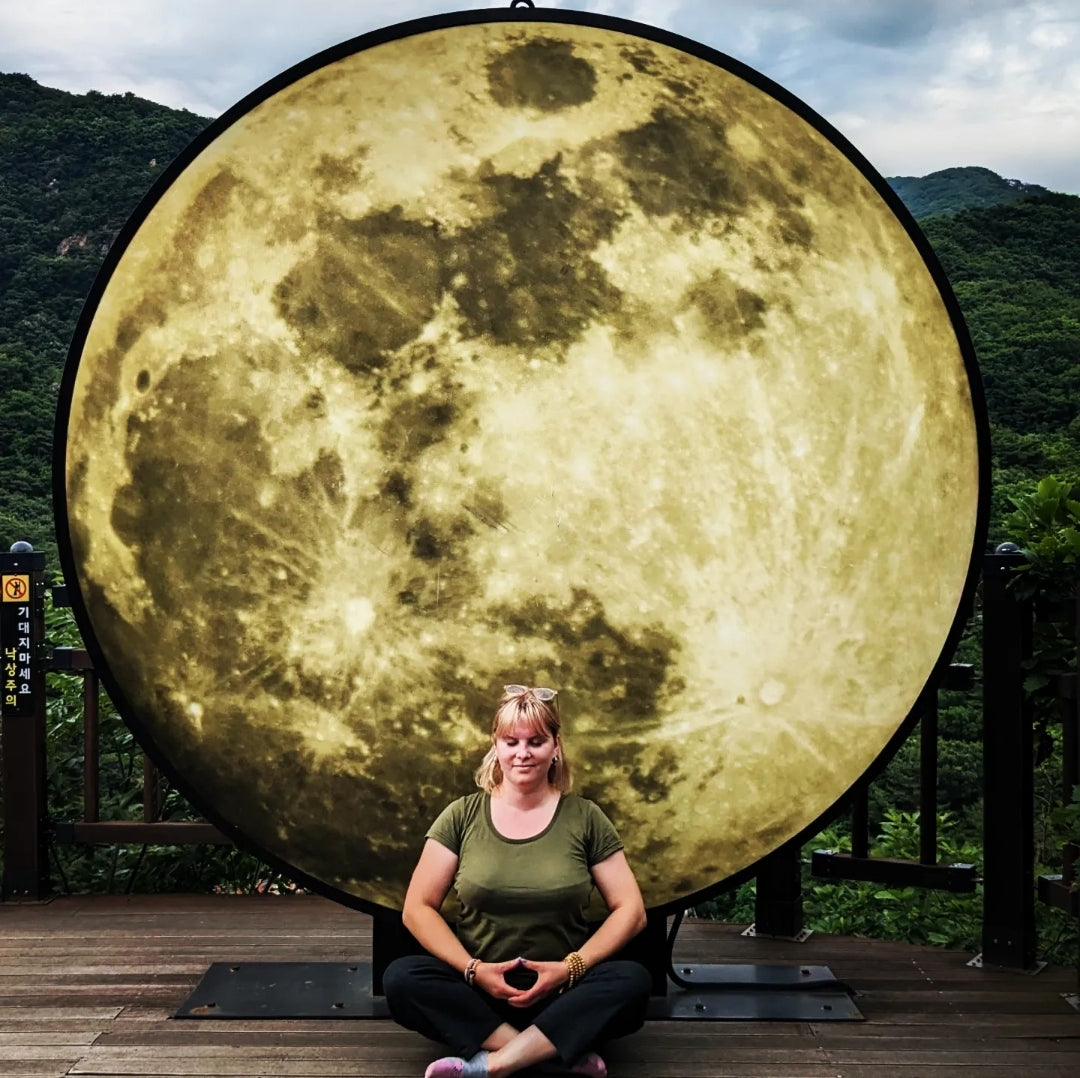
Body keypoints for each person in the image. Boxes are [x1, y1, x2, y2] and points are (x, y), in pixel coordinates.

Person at [384, 684, 652, 1078]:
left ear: (556, 746)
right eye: (511, 741)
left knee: (632, 981)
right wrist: (474, 970)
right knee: (402, 979)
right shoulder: (462, 815)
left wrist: (571, 968)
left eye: (536, 741)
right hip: (480, 996)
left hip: (565, 994)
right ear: (496, 745)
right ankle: (551, 1053)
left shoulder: (585, 817)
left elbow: (632, 911)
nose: (522, 753)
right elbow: (417, 908)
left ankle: (491, 1065)